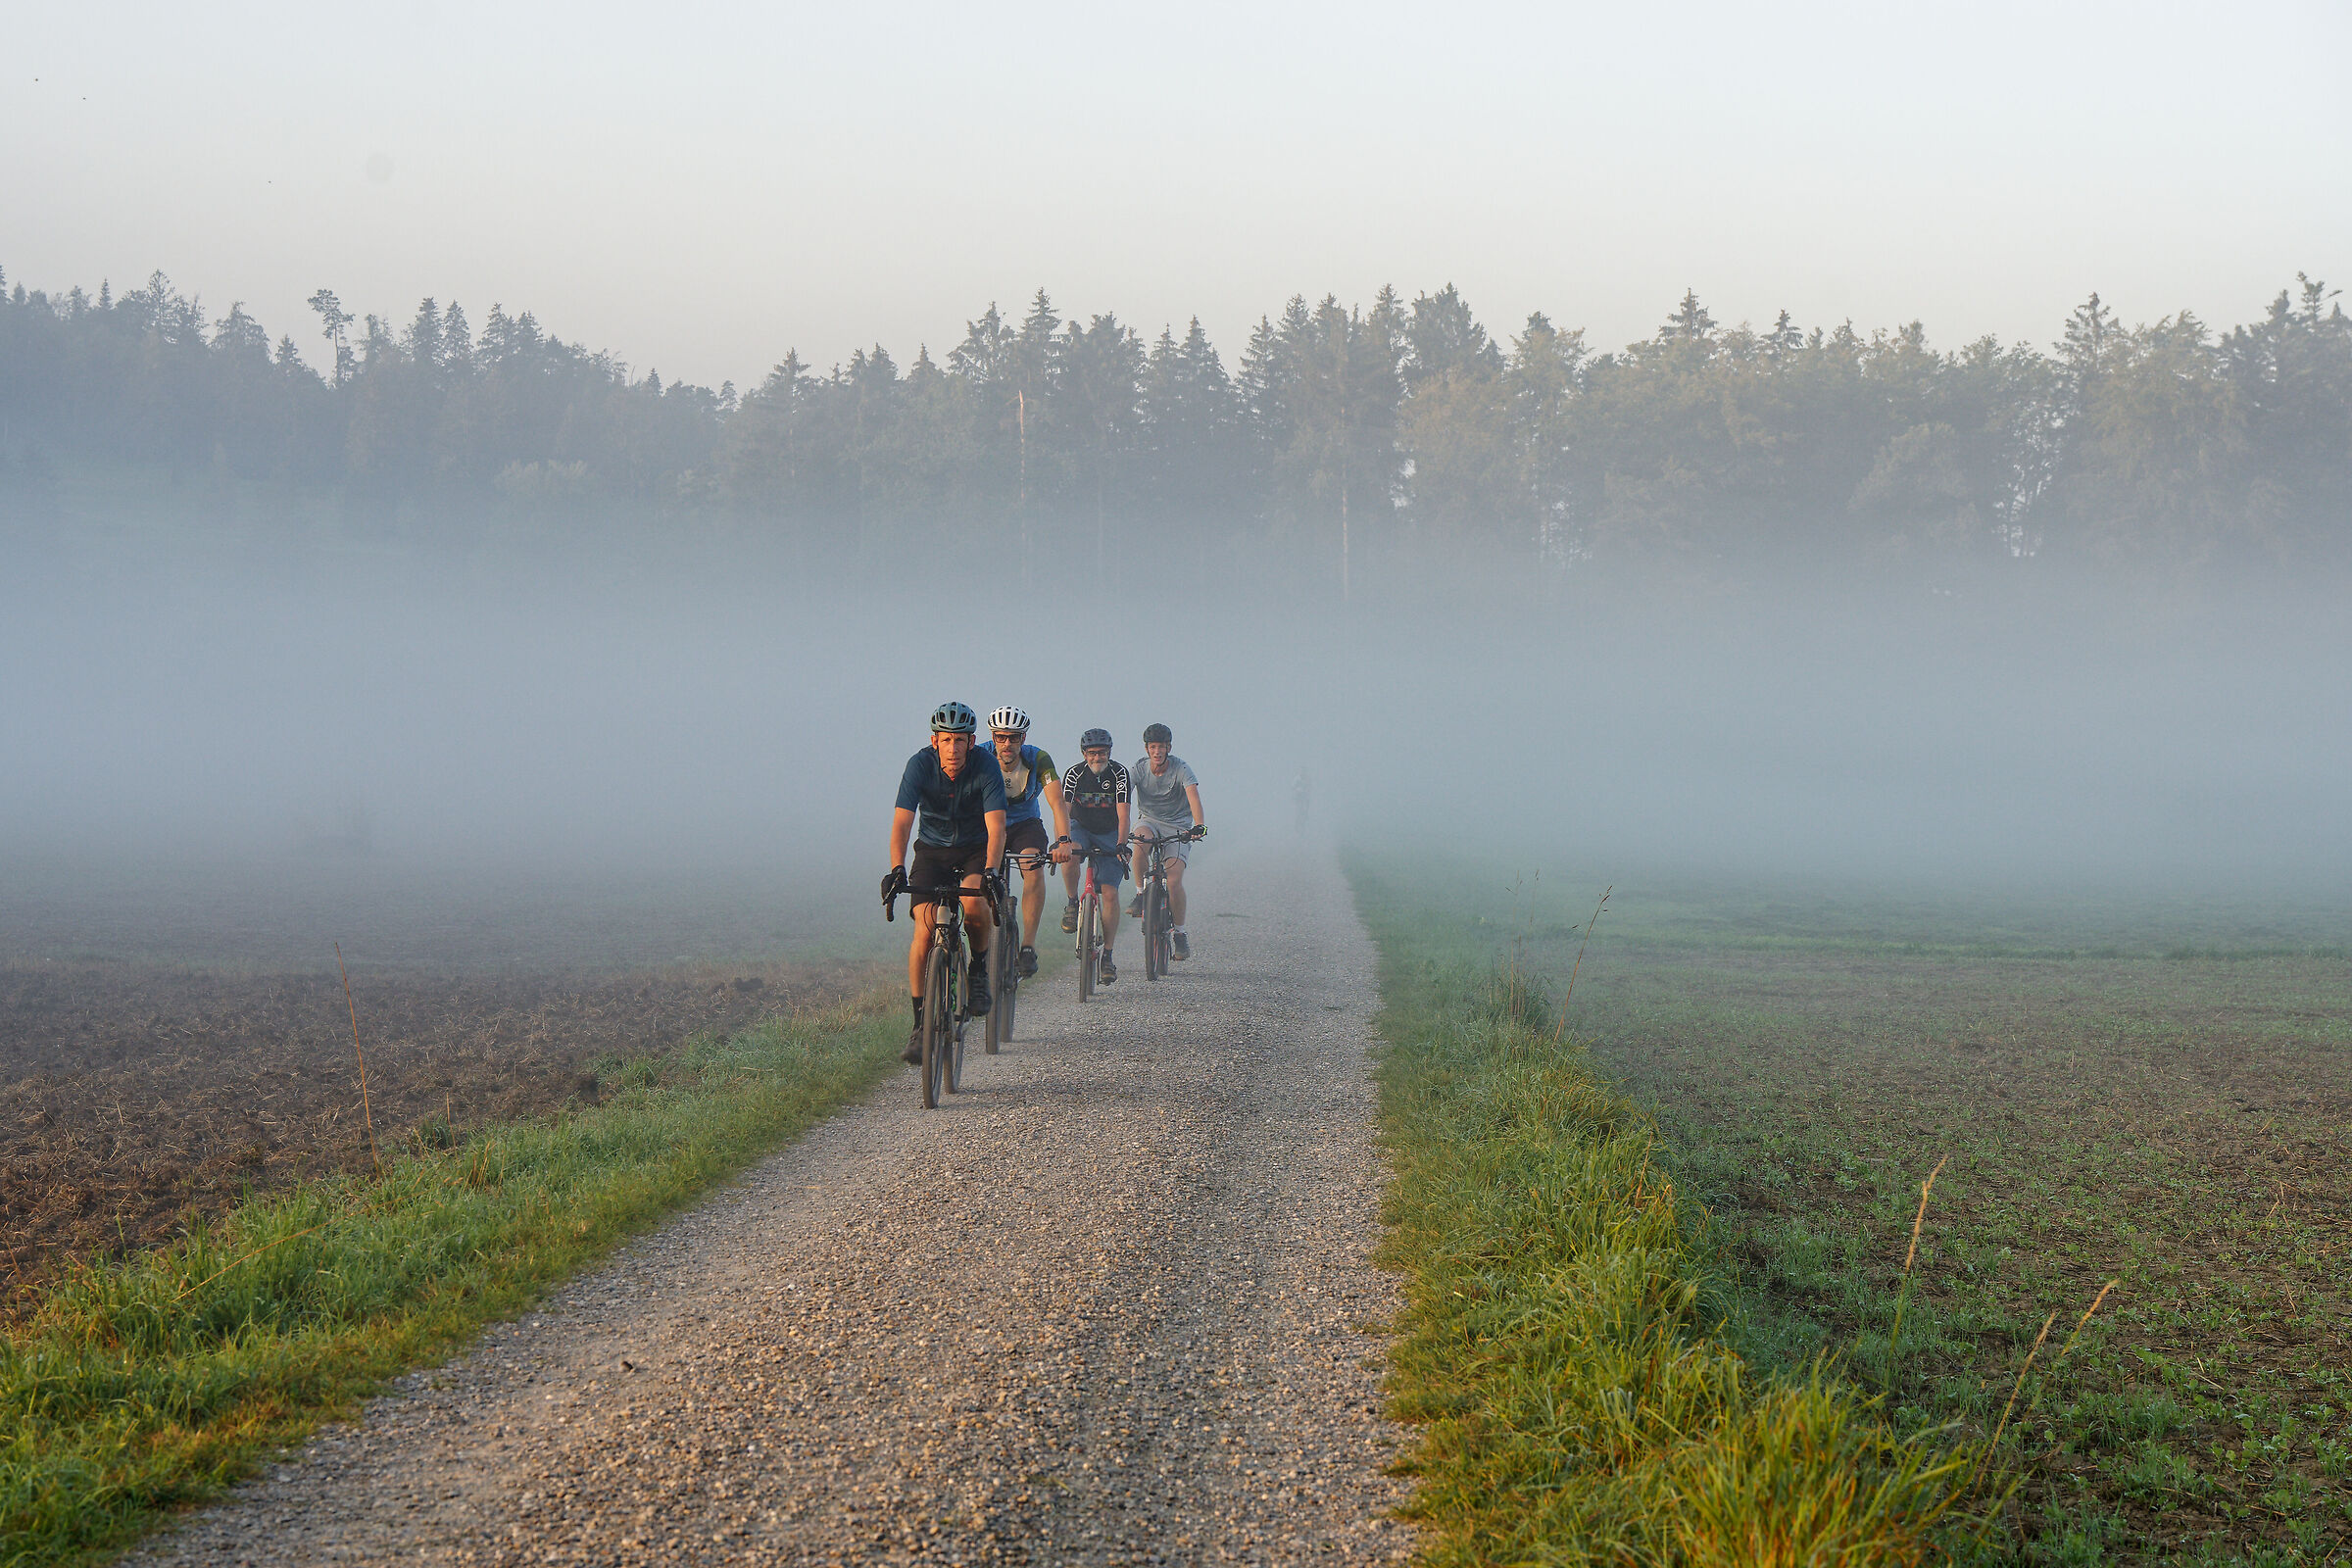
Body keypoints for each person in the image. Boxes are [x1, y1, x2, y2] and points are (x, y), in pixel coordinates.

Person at [883, 702, 1005, 1064]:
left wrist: (992, 871)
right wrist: (896, 868)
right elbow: (902, 822)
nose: (953, 748)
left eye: (960, 740)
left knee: (974, 906)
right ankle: (920, 1024)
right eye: (946, 740)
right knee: (923, 932)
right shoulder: (918, 765)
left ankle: (979, 968)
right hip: (932, 852)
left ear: (972, 742)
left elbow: (997, 826)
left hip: (974, 849)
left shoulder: (986, 766)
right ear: (934, 741)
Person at [986, 705, 1069, 979]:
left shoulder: (1038, 758)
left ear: (1024, 738)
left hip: (1025, 826)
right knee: (982, 878)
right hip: (986, 824)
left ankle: (1028, 947)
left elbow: (1057, 802)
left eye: (1014, 737)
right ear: (993, 737)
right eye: (1001, 737)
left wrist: (1063, 840)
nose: (1007, 743)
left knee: (1033, 868)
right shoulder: (980, 755)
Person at [1126, 722, 1205, 960]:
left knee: (1173, 881)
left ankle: (1179, 935)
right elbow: (1122, 795)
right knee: (1140, 841)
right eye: (1153, 747)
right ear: (1147, 749)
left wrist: (1198, 825)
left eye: (1161, 747)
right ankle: (1140, 894)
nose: (1157, 752)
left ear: (1169, 748)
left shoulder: (1181, 768)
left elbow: (1193, 796)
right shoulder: (1139, 769)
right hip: (1149, 820)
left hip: (1178, 826)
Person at [1058, 728, 1130, 983]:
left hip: (1110, 831)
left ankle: (1108, 955)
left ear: (1109, 753)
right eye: (1092, 753)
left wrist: (1122, 844)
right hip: (1082, 827)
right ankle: (1071, 902)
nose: (1097, 757)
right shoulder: (1074, 774)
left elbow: (1123, 814)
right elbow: (1064, 811)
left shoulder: (1119, 773)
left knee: (1110, 893)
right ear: (1084, 754)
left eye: (1102, 753)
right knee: (1071, 852)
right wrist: (1061, 840)